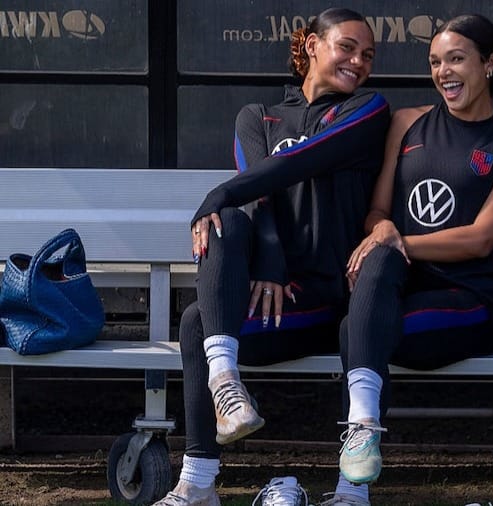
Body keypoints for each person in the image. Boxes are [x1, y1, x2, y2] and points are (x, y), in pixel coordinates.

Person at [153, 8, 390, 505]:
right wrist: (270, 264)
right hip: (279, 295)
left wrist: (221, 191)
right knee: (208, 287)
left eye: (367, 54)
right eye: (347, 47)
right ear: (311, 47)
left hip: (333, 298)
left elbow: (295, 162)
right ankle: (203, 462)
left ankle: (352, 491)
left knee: (225, 207)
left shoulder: (366, 110)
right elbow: (259, 197)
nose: (358, 61)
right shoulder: (257, 116)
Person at [317, 14, 493, 506]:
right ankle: (363, 430)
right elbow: (377, 211)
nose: (444, 72)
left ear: (490, 63)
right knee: (376, 272)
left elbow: (481, 239)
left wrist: (400, 241)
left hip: (467, 303)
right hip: (396, 288)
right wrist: (384, 230)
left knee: (361, 328)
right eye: (435, 61)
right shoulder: (406, 122)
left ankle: (351, 490)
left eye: (456, 59)